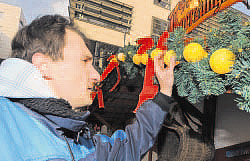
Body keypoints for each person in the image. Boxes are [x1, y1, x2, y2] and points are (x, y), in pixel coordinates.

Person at [0, 15, 176, 161]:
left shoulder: (77, 138)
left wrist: (164, 92)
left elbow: (128, 147)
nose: (97, 76)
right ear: (43, 65)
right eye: (84, 61)